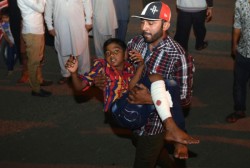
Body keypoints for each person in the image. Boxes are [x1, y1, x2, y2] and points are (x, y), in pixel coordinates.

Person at [96, 2, 196, 167]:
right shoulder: (135, 43)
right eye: (142, 21)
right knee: (147, 147)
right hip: (132, 113)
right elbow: (123, 71)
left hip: (155, 125)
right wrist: (104, 80)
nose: (144, 27)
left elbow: (184, 100)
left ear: (166, 25)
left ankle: (174, 137)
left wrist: (151, 99)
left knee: (144, 159)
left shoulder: (178, 56)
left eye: (151, 23)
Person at [65, 37, 198, 144]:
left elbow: (132, 88)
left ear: (125, 54)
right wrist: (74, 73)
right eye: (107, 53)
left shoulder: (130, 69)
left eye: (116, 51)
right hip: (119, 111)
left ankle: (178, 135)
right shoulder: (101, 66)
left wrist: (140, 66)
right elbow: (79, 87)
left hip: (135, 114)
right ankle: (171, 128)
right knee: (156, 79)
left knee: (171, 84)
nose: (111, 55)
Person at [44, 0, 92, 84]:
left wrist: (88, 20)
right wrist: (49, 26)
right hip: (60, 25)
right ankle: (66, 74)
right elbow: (48, 8)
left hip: (79, 24)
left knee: (82, 49)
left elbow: (87, 3)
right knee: (63, 49)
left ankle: (84, 73)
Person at [17, 0, 53, 97]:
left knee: (38, 58)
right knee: (33, 61)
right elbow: (41, 8)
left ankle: (39, 81)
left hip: (38, 30)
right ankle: (36, 89)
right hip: (32, 31)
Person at [7, 0, 28, 83]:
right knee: (17, 40)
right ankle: (23, 64)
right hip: (13, 16)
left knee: (24, 42)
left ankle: (27, 71)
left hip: (24, 16)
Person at [0, 7, 16, 76]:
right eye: (3, 17)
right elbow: (5, 35)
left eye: (6, 17)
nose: (4, 19)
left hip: (17, 42)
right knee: (10, 55)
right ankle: (10, 69)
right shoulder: (3, 25)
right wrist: (9, 42)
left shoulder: (14, 23)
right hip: (10, 42)